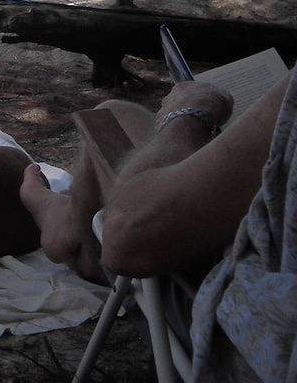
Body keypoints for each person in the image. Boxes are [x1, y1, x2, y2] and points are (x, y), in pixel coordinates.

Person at [18, 67, 297, 380]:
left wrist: (191, 112)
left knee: (116, 114)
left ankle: (72, 230)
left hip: (246, 334)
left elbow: (129, 235)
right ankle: (70, 217)